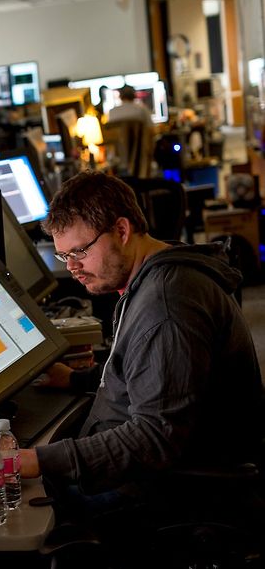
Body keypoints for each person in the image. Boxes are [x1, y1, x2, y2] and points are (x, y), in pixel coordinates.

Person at [19, 171, 262, 519]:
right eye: (63, 256)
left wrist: (39, 460)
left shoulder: (166, 307)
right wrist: (75, 380)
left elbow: (154, 438)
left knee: (11, 515)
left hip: (165, 490)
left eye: (80, 251)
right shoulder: (159, 270)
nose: (72, 267)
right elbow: (153, 378)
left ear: (121, 230)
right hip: (158, 467)